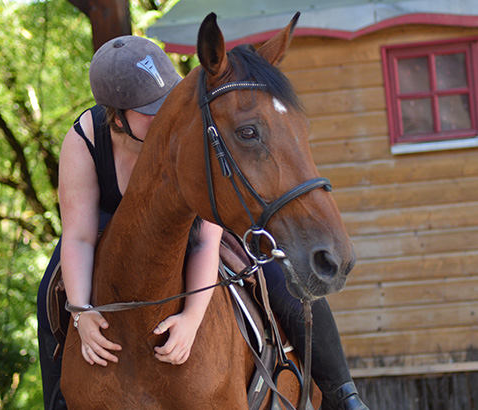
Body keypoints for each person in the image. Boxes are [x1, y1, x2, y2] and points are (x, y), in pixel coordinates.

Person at [36, 35, 369, 410]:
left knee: (285, 286)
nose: (164, 112)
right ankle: (58, 401)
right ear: (117, 114)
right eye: (150, 108)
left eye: (166, 99)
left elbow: (206, 238)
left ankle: (344, 396)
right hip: (101, 231)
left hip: (193, 224)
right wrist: (81, 312)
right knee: (50, 292)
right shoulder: (84, 138)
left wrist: (193, 317)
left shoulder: (186, 120)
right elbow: (78, 235)